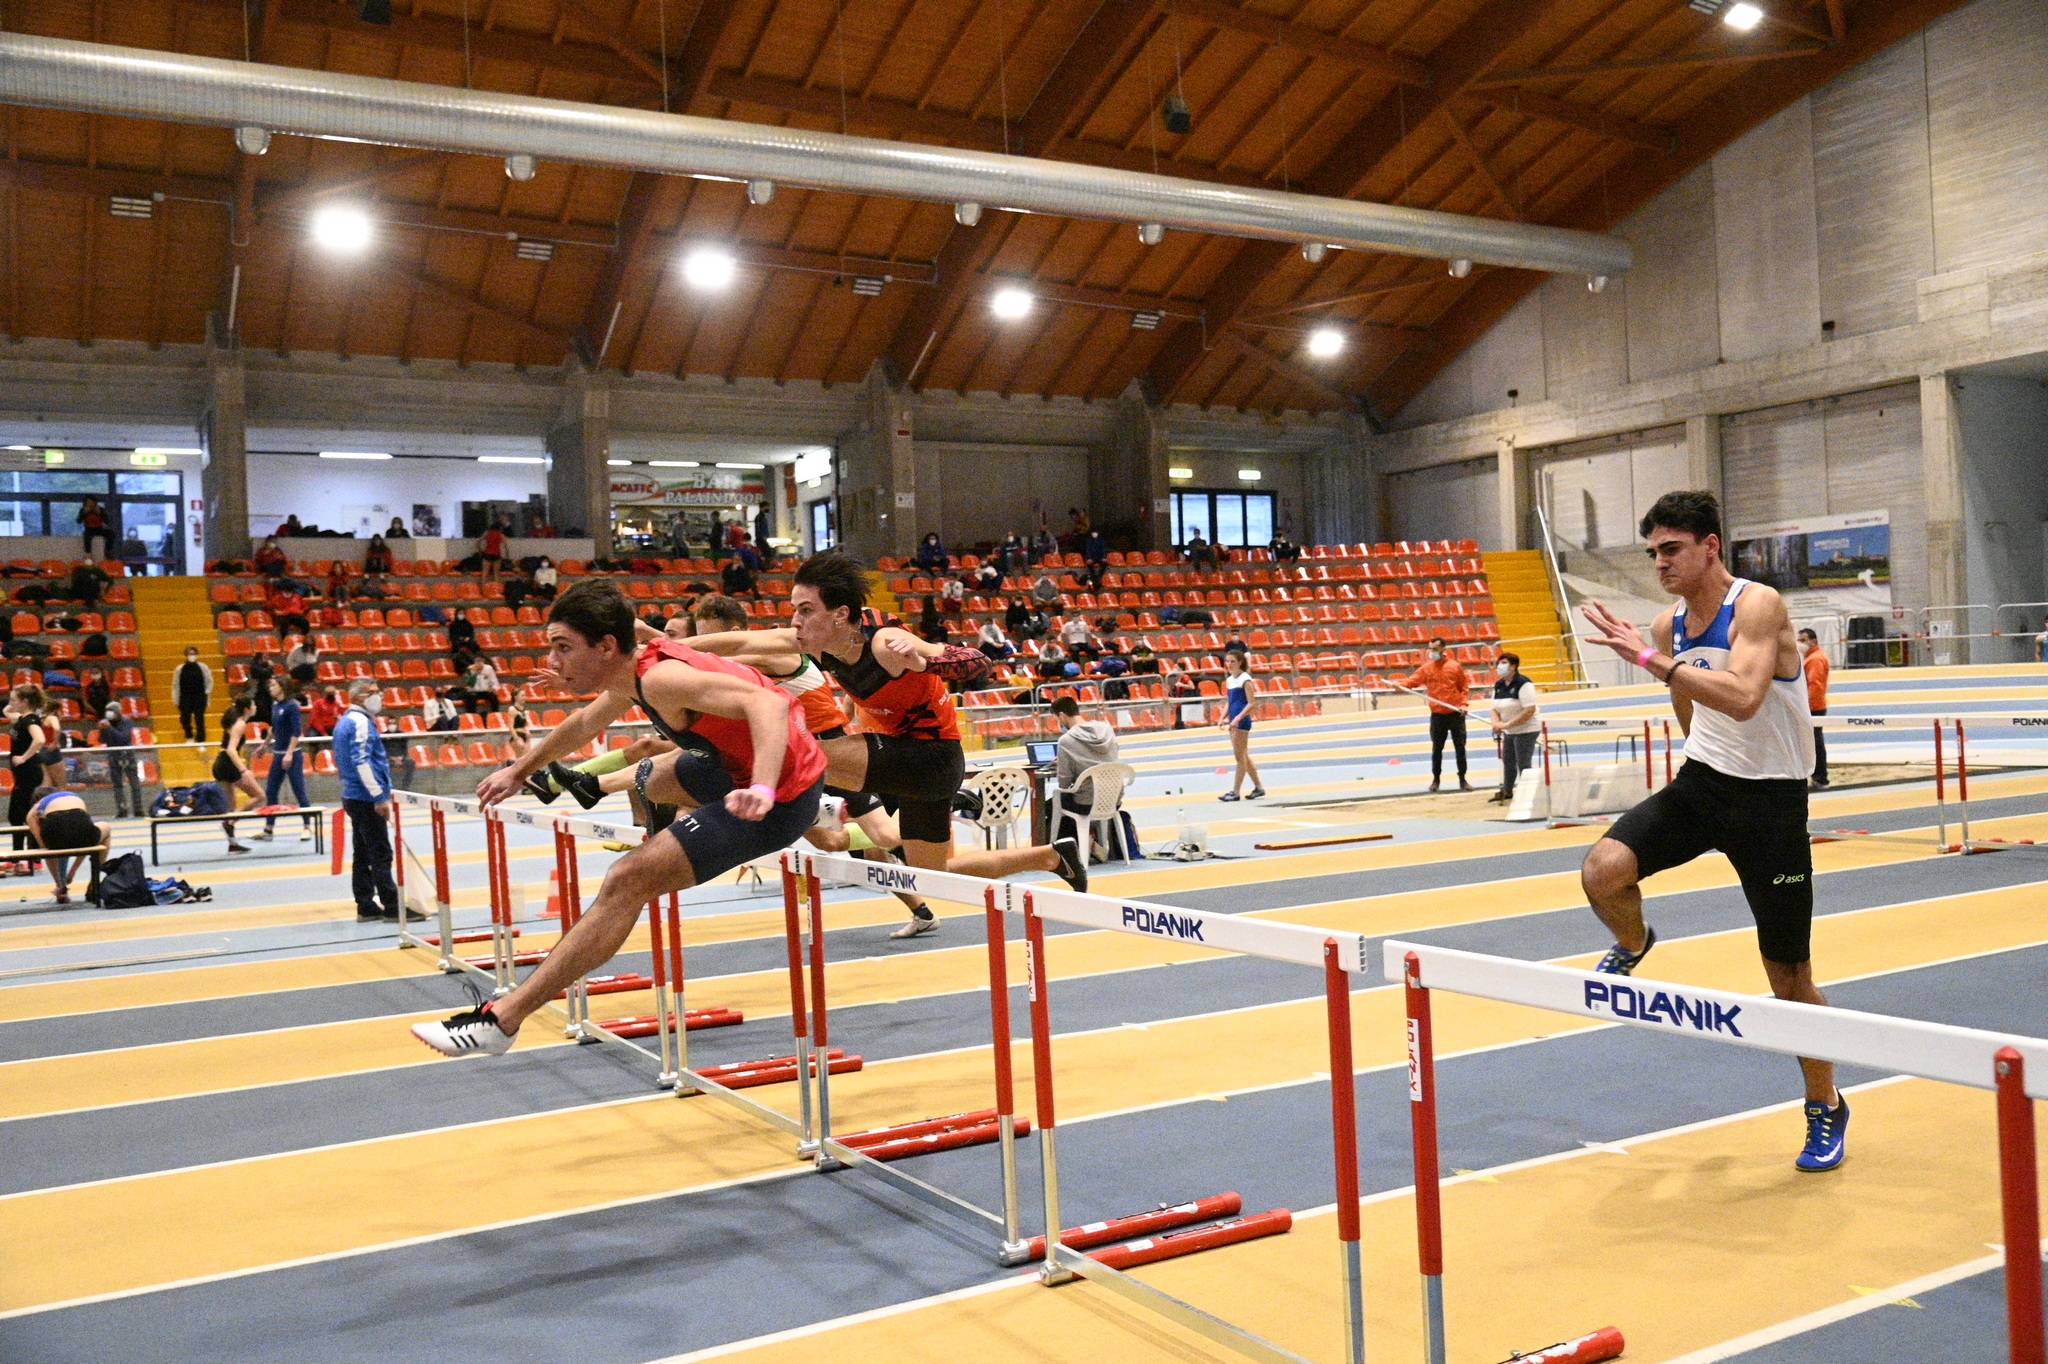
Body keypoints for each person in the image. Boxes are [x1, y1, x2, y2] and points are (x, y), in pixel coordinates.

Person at [411, 580, 832, 1057]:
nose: (554, 662)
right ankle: (676, 842)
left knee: (625, 879)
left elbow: (770, 703)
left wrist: (763, 786)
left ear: (607, 646)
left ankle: (502, 1020)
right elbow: (584, 723)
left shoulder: (660, 678)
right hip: (726, 766)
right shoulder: (631, 672)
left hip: (782, 793)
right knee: (648, 772)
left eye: (563, 648)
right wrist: (519, 770)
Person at [1578, 489, 1843, 1172]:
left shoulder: (1757, 605)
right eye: (1652, 553)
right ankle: (1633, 941)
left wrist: (1650, 660)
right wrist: (1699, 749)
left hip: (1772, 806)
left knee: (1788, 977)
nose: (1659, 564)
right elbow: (1689, 706)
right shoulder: (1667, 625)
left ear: (1709, 546)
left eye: (1671, 549)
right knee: (1602, 870)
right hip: (1703, 786)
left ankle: (1825, 1105)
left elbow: (1746, 698)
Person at [684, 556, 1087, 891]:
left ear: (840, 614)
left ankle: (809, 811)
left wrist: (924, 662)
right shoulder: (816, 641)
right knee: (932, 877)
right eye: (794, 609)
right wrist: (666, 649)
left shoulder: (883, 642)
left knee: (797, 750)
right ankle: (1052, 856)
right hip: (907, 758)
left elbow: (978, 661)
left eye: (805, 610)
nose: (795, 621)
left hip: (932, 756)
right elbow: (738, 642)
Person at [331, 679, 406, 922]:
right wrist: (378, 796)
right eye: (373, 693)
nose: (379, 696)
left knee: (362, 853)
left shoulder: (345, 721)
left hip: (353, 795)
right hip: (365, 797)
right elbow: (361, 761)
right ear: (358, 697)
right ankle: (392, 906)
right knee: (380, 852)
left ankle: (365, 904)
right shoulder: (360, 722)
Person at [1048, 696, 1134, 861]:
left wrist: (1065, 763)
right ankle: (1093, 843)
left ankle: (1062, 852)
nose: (1059, 723)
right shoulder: (1107, 730)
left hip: (1085, 802)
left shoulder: (1066, 741)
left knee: (1053, 803)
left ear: (1062, 715)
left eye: (1057, 719)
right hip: (1113, 799)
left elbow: (1064, 783)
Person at [1399, 638, 1472, 793]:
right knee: (1437, 749)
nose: (1432, 652)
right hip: (1438, 715)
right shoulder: (1427, 669)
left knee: (1460, 748)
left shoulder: (1454, 666)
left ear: (1443, 649)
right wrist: (1400, 686)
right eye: (1430, 648)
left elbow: (1464, 688)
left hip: (1456, 714)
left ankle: (1463, 779)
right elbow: (1412, 681)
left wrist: (1464, 704)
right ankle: (1436, 780)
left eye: (1435, 649)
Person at [256, 676, 315, 842]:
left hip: (293, 755)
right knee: (271, 791)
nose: (270, 688)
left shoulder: (292, 706)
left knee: (299, 791)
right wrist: (264, 745)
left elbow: (296, 732)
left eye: (273, 685)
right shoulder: (275, 705)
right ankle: (268, 829)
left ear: (282, 687)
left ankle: (307, 827)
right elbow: (274, 728)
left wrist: (289, 753)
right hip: (277, 754)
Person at [26, 788, 108, 905]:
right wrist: (72, 872)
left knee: (48, 847)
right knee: (106, 829)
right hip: (83, 831)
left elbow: (30, 817)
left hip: (56, 832)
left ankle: (60, 886)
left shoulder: (41, 803)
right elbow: (87, 837)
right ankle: (94, 884)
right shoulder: (72, 797)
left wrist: (42, 844)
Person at [1487, 652, 1540, 805]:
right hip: (1509, 730)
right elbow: (1494, 708)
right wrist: (1496, 723)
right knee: (1508, 761)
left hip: (1526, 729)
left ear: (1513, 666)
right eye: (1499, 663)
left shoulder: (1524, 683)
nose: (1499, 666)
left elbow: (1529, 710)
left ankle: (1528, 793)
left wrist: (1506, 724)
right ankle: (1507, 791)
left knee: (1523, 762)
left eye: (1503, 663)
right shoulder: (1499, 685)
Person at [213, 696, 264, 854]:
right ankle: (229, 822)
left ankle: (233, 843)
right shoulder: (240, 723)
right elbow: (231, 749)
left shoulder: (235, 720)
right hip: (227, 763)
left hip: (220, 763)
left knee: (232, 807)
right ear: (247, 709)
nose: (255, 707)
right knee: (259, 795)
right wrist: (244, 770)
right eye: (253, 705)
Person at [6, 685, 48, 864]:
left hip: (29, 774)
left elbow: (40, 739)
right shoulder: (21, 718)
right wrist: (14, 699)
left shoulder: (30, 720)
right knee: (20, 816)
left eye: (14, 700)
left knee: (19, 816)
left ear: (25, 701)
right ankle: (25, 857)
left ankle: (28, 857)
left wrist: (24, 757)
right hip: (22, 775)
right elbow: (7, 711)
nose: (11, 703)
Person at [1217, 650, 1264, 801]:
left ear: (1240, 662)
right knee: (1243, 756)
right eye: (1227, 661)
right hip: (1233, 720)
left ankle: (1235, 792)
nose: (1229, 664)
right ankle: (1259, 787)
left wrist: (1238, 718)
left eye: (1232, 661)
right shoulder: (1230, 680)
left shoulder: (1245, 679)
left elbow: (1251, 703)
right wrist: (1222, 716)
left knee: (1239, 758)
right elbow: (1229, 701)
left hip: (1241, 721)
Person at [96, 704, 144, 819]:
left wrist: (110, 728)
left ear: (118, 711)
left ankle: (138, 809)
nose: (109, 713)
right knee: (117, 785)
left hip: (127, 755)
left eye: (111, 710)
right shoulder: (106, 722)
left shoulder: (126, 721)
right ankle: (121, 810)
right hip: (113, 756)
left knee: (134, 783)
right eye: (107, 710)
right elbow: (101, 740)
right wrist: (101, 729)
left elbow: (124, 738)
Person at [1800, 628, 1830, 789]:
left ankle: (1820, 778)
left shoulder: (1815, 659)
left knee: (1815, 744)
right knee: (1814, 743)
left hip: (1814, 707)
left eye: (1803, 640)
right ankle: (1819, 777)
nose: (1801, 644)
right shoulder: (1811, 657)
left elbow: (1815, 686)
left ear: (1814, 641)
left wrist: (1807, 707)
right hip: (1814, 706)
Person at [174, 645, 212, 744]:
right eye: (190, 654)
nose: (192, 656)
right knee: (185, 719)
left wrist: (206, 693)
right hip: (185, 697)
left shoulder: (203, 667)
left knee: (199, 719)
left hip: (199, 697)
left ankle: (201, 740)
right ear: (186, 655)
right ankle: (189, 736)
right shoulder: (179, 669)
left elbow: (210, 681)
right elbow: (175, 685)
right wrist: (175, 698)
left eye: (194, 654)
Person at [77, 496, 111, 560]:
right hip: (89, 529)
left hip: (99, 529)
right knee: (86, 536)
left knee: (110, 533)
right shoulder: (83, 510)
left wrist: (100, 513)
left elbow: (107, 521)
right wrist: (84, 513)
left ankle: (107, 551)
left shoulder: (100, 509)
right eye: (88, 502)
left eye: (91, 502)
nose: (90, 504)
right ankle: (88, 553)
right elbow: (78, 521)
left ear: (95, 503)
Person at [479, 518, 507, 583]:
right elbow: (506, 546)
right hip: (497, 554)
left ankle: (483, 588)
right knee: (496, 574)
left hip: (487, 554)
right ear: (500, 528)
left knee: (485, 573)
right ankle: (496, 588)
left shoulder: (487, 533)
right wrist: (507, 555)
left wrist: (480, 550)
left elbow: (479, 541)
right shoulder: (501, 535)